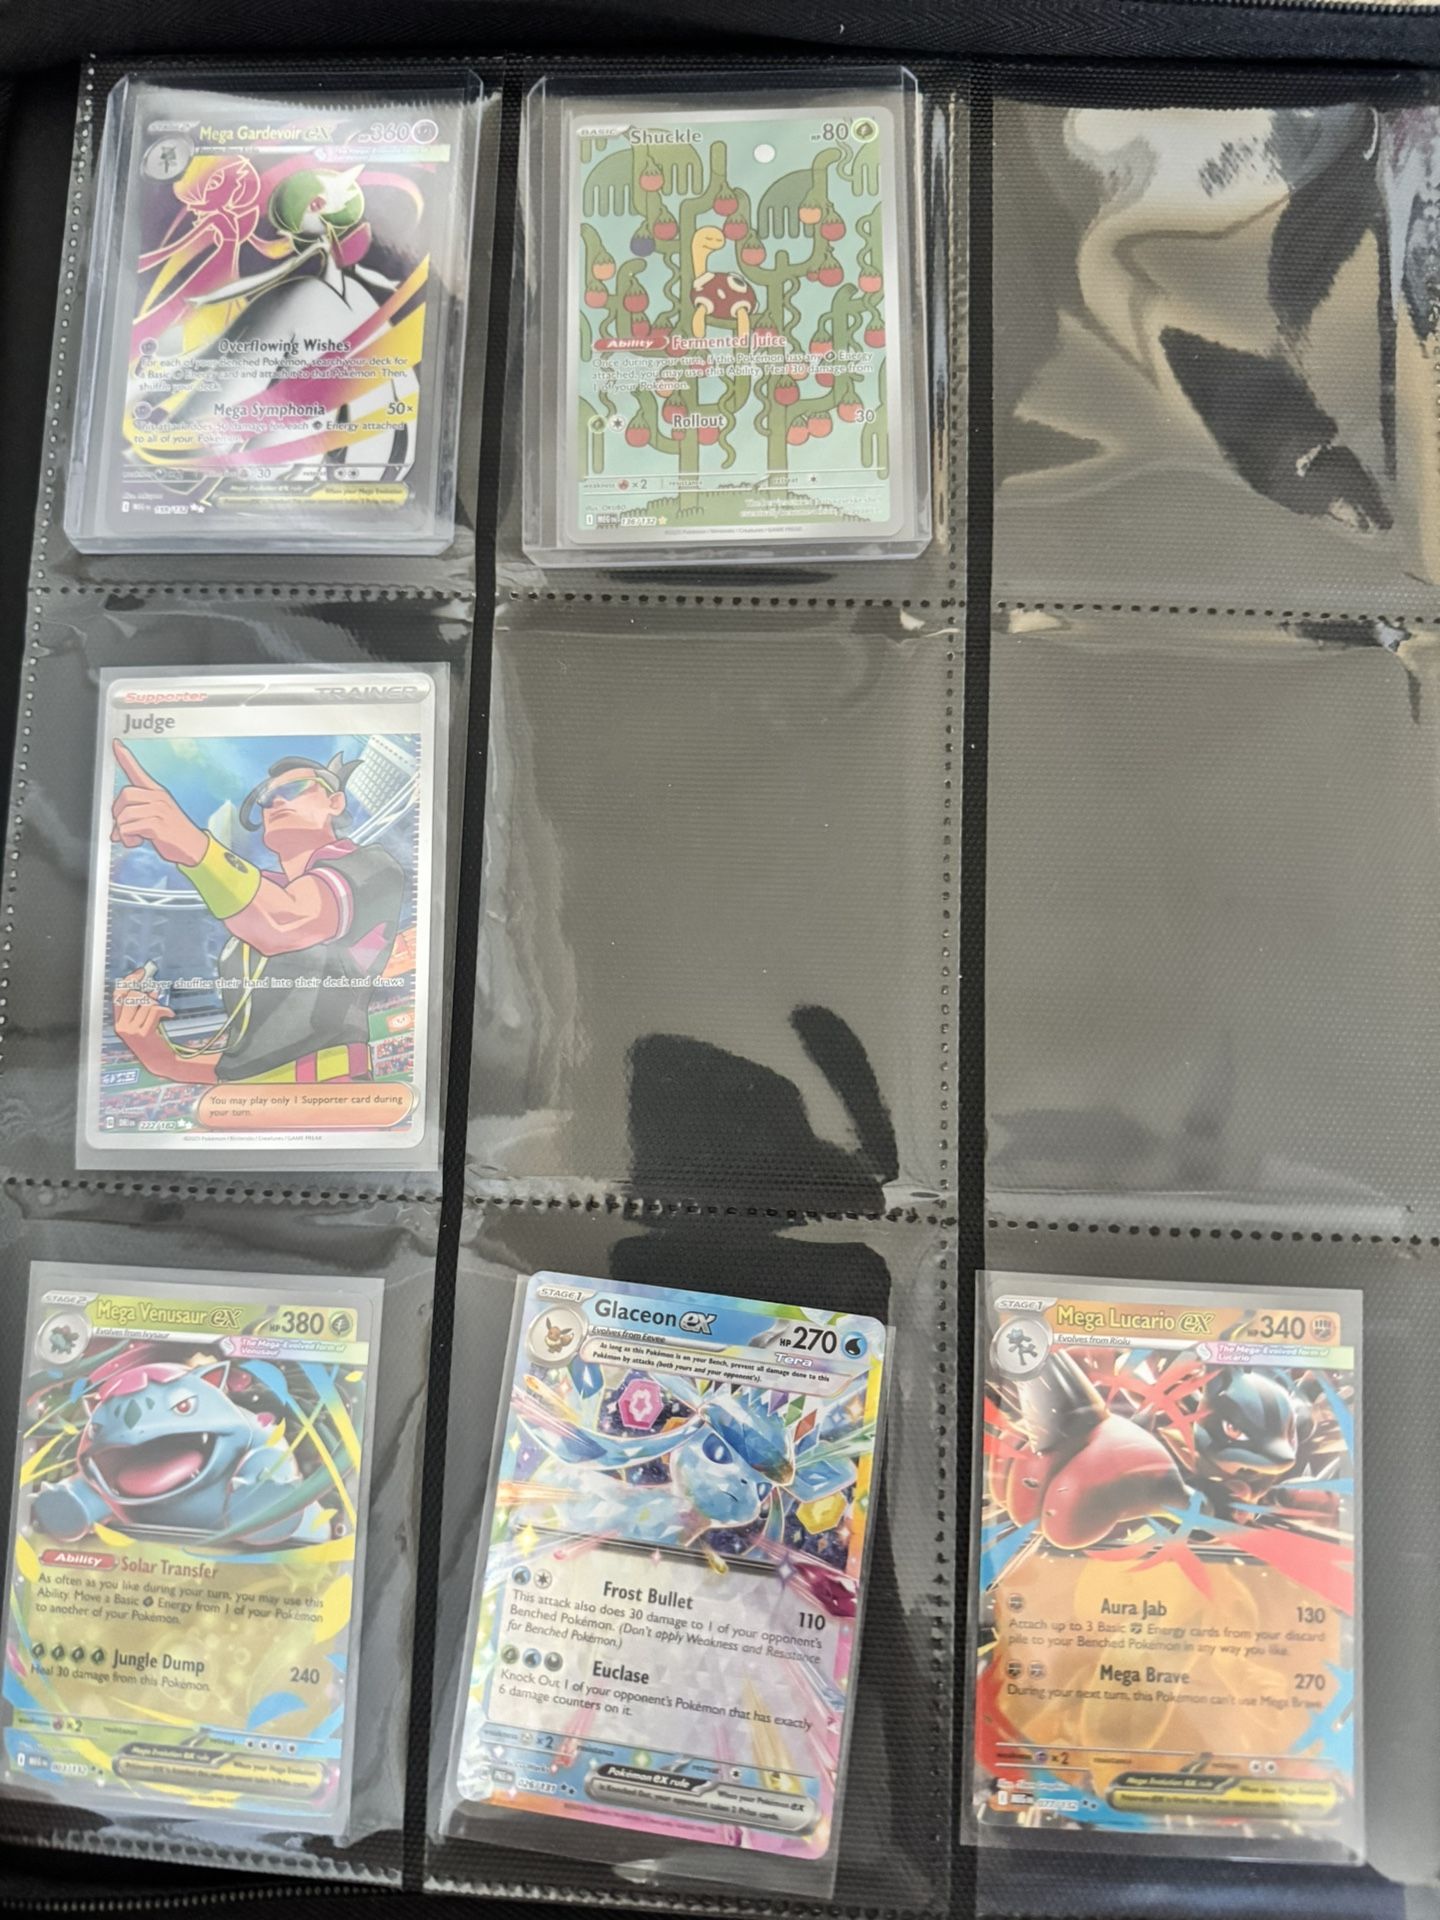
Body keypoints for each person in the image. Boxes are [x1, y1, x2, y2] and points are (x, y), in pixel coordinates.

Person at [110, 739, 404, 1086]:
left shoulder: (372, 864)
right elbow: (246, 1060)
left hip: (327, 1091)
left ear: (334, 802)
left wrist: (190, 844)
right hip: (242, 1103)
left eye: (295, 789)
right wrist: (160, 1057)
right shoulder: (252, 915)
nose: (275, 801)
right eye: (265, 799)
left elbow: (287, 921)